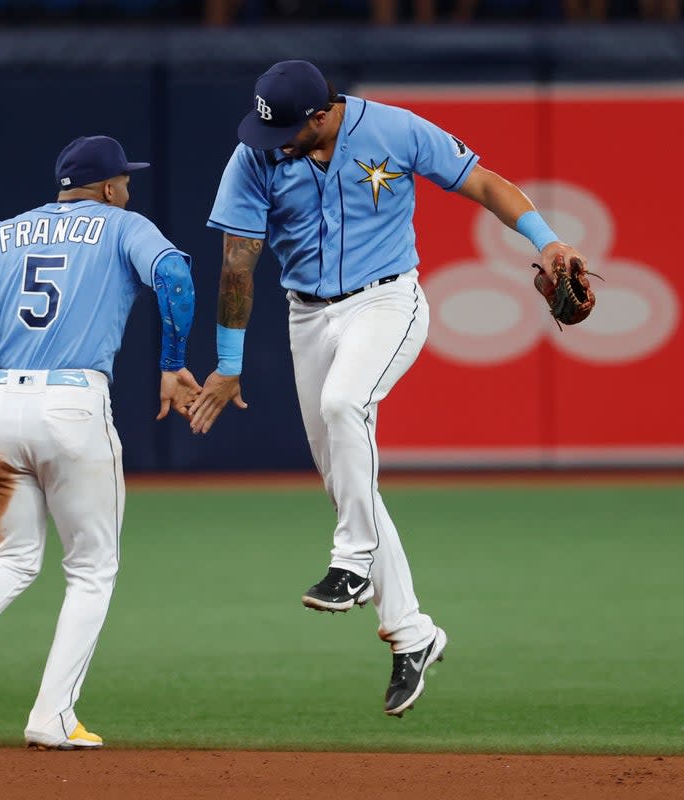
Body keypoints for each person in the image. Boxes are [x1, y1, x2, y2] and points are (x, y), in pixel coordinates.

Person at [190, 60, 587, 717]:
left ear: (323, 114)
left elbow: (483, 182)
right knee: (348, 481)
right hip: (307, 315)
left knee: (345, 404)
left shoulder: (394, 131)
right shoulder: (254, 157)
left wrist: (545, 241)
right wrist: (228, 361)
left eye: (287, 129)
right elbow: (238, 262)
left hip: (387, 302)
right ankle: (413, 634)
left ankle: (350, 566)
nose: (273, 142)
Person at [0, 135, 200, 748]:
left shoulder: (1, 234)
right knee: (91, 570)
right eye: (126, 181)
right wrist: (172, 362)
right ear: (111, 187)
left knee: (10, 558)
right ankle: (52, 716)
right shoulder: (123, 226)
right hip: (72, 407)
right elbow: (173, 273)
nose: (129, 190)